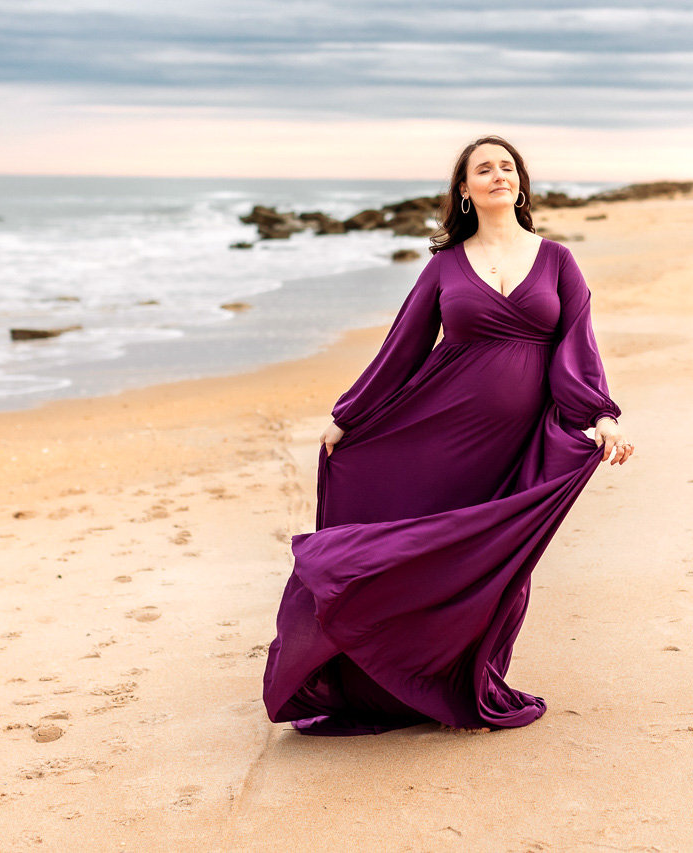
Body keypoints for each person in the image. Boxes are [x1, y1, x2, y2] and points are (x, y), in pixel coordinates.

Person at [262, 135, 633, 736]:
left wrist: (600, 414)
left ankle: (468, 684)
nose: (497, 175)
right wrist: (349, 418)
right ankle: (393, 682)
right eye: (482, 169)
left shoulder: (558, 260)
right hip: (438, 435)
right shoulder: (444, 266)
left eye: (506, 167)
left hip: (516, 444)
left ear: (521, 182)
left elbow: (575, 345)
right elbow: (402, 349)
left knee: (494, 566)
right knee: (422, 557)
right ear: (464, 190)